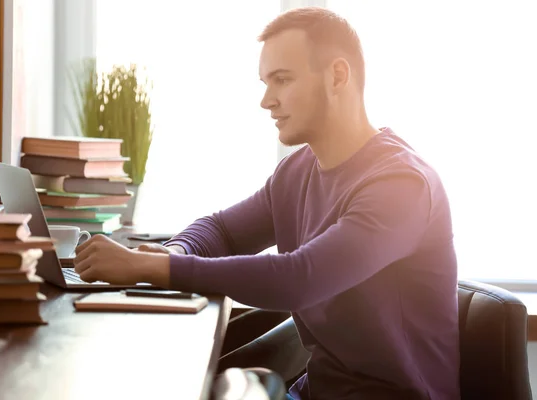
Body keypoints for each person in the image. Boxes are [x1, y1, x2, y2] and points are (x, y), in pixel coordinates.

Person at [74, 6, 460, 400]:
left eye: (282, 80)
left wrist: (154, 266)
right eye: (265, 82)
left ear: (337, 76)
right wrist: (175, 249)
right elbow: (222, 230)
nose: (266, 100)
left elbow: (299, 278)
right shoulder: (296, 173)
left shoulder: (402, 185)